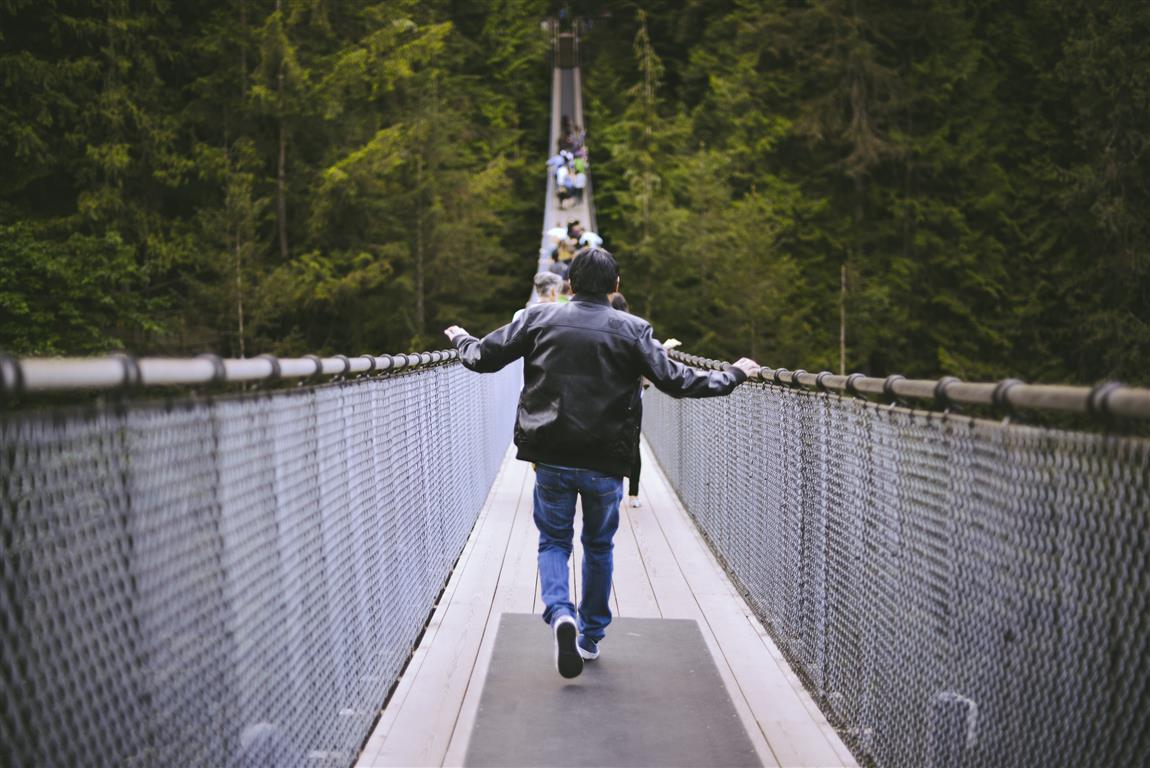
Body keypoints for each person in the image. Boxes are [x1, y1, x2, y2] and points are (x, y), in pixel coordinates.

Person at [444, 248, 758, 679]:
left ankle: (560, 613)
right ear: (616, 286)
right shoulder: (633, 330)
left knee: (553, 542)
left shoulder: (538, 318)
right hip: (604, 459)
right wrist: (734, 374)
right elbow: (676, 380)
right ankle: (590, 636)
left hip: (551, 454)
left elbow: (482, 357)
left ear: (568, 283)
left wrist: (461, 337)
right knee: (598, 546)